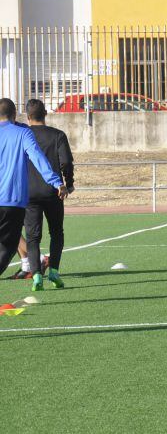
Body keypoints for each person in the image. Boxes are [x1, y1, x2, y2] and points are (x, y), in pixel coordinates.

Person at [0, 99, 67, 280]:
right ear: (15, 114)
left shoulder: (22, 130)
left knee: (17, 241)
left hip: (17, 200)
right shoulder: (23, 133)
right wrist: (56, 182)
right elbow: (38, 159)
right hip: (11, 201)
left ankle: (29, 263)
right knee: (7, 247)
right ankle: (33, 264)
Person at [22, 99, 74, 291]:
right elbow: (66, 162)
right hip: (53, 191)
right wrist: (69, 183)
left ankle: (36, 275)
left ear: (27, 116)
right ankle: (53, 271)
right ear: (45, 113)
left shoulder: (23, 135)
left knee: (32, 236)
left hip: (28, 192)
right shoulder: (58, 135)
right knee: (56, 232)